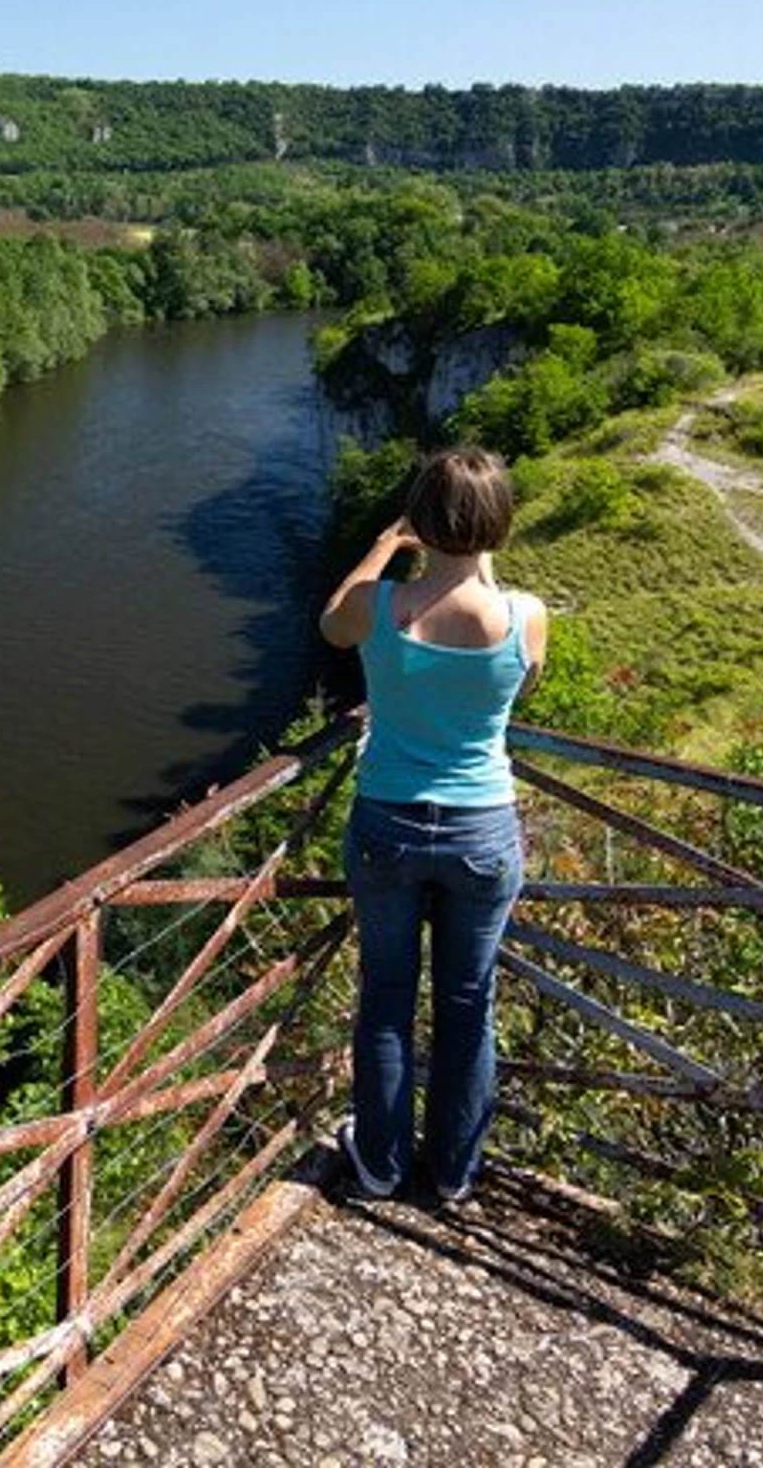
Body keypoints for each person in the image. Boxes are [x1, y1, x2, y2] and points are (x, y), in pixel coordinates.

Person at [318, 445, 548, 1206]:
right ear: (501, 524)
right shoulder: (526, 618)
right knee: (468, 1003)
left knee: (387, 997)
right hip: (482, 831)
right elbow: (519, 686)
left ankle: (380, 1165)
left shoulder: (378, 606)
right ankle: (453, 1170)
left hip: (387, 821)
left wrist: (386, 546)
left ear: (420, 518)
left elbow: (331, 625)